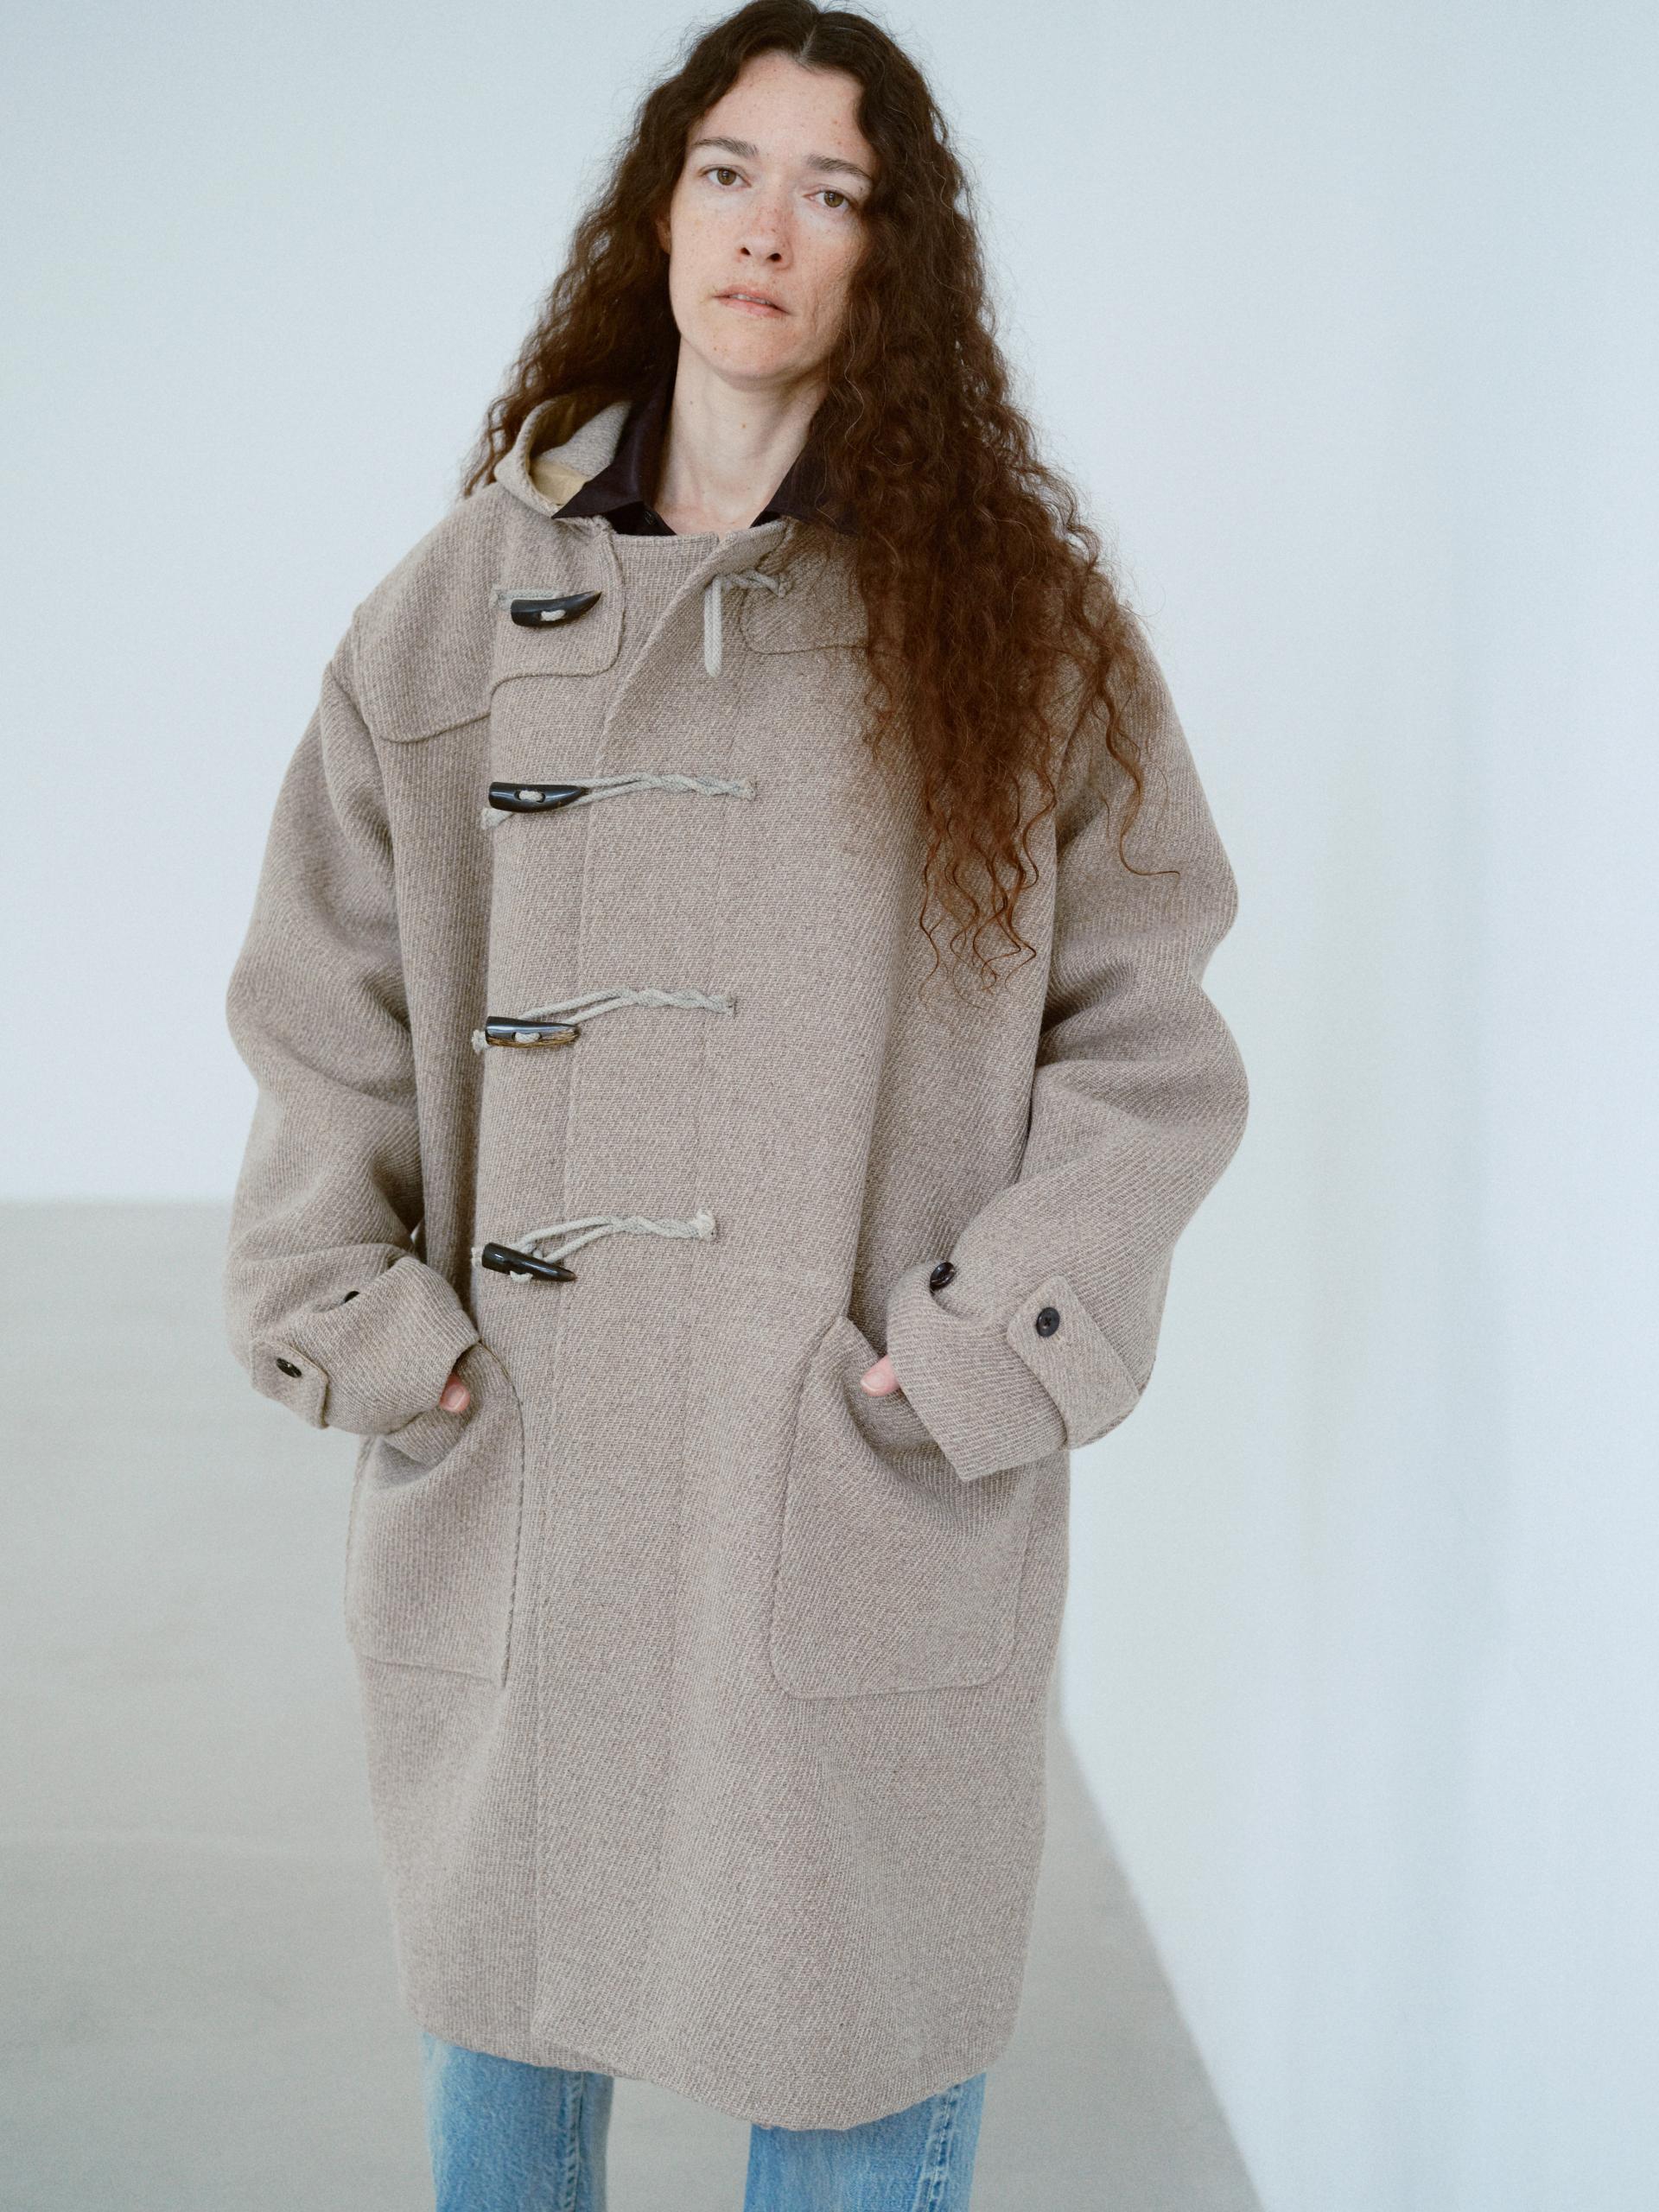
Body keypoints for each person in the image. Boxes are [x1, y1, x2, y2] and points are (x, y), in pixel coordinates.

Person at [220, 3, 1249, 2204]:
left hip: (840, 1481)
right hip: (526, 1464)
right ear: (660, 211)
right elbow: (324, 991)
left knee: (859, 2042)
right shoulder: (459, 612)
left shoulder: (1012, 629)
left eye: (832, 189)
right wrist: (365, 1320)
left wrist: (976, 1355)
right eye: (727, 170)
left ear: (894, 259)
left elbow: (1150, 1029)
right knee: (509, 2051)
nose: (766, 227)